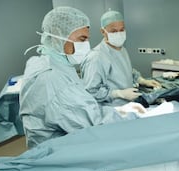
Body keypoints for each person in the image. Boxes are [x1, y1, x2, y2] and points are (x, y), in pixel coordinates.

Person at [19, 7, 145, 148]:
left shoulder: (49, 62)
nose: (86, 45)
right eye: (82, 39)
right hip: (56, 152)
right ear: (58, 35)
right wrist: (126, 112)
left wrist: (139, 81)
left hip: (60, 140)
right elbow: (93, 120)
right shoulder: (52, 77)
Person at [81, 9, 161, 106]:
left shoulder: (122, 49)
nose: (119, 34)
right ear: (103, 31)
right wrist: (118, 94)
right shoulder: (96, 57)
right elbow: (91, 91)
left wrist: (142, 80)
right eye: (114, 31)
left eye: (122, 30)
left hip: (129, 106)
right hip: (111, 110)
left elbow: (126, 71)